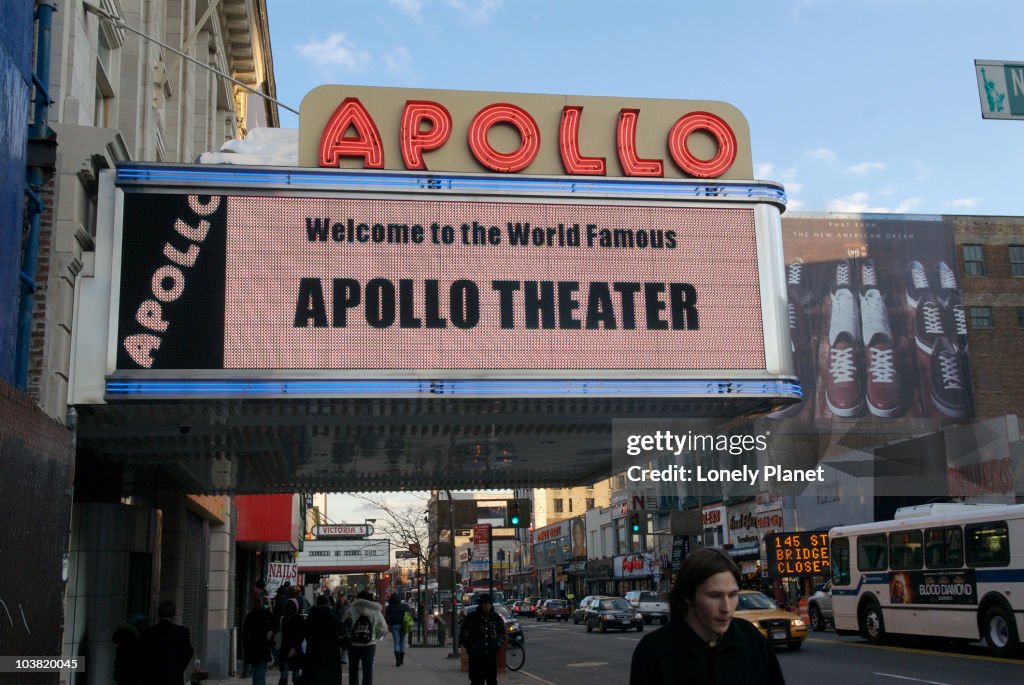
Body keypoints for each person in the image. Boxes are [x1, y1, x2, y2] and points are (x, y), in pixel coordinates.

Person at [630, 548, 785, 685]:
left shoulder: (751, 639)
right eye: (714, 596)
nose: (727, 608)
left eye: (732, 595)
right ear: (688, 595)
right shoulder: (654, 651)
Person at [142, 600, 193, 685]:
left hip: (153, 678)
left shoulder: (149, 632)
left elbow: (143, 654)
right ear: (173, 615)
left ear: (159, 614)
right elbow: (188, 652)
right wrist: (179, 667)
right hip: (174, 677)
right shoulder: (181, 632)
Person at [459, 593, 505, 685]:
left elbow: (501, 634)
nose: (486, 606)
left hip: (490, 657)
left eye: (488, 604)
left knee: (492, 680)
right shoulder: (471, 618)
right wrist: (472, 648)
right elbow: (464, 637)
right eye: (484, 604)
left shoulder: (495, 617)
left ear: (491, 605)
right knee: (476, 681)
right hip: (476, 658)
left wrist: (496, 646)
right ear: (480, 605)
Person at [345, 590, 387, 685]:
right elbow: (383, 628)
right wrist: (375, 636)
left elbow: (344, 625)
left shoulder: (351, 610)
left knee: (353, 669)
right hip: (369, 644)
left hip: (353, 644)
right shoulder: (376, 611)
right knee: (367, 670)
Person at [302, 593, 346, 685]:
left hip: (313, 653)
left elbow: (305, 633)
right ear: (327, 604)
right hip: (331, 654)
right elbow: (342, 634)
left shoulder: (310, 617)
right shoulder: (333, 617)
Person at [243, 595, 275, 685]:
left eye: (259, 601)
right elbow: (245, 633)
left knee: (259, 673)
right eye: (256, 602)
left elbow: (274, 628)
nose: (257, 604)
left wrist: (270, 640)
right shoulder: (251, 616)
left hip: (262, 647)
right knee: (256, 674)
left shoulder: (266, 615)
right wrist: (246, 647)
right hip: (255, 647)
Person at [112, 611, 148, 685]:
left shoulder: (127, 637)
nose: (146, 625)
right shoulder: (131, 639)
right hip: (130, 679)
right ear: (136, 624)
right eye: (143, 623)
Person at [278, 598, 306, 685]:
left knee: (293, 674)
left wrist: (294, 648)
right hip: (288, 649)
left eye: (291, 607)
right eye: (288, 607)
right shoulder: (284, 619)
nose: (289, 609)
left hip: (292, 649)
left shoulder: (297, 620)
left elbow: (301, 636)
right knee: (288, 674)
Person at [384, 593, 411, 666]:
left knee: (396, 642)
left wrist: (390, 624)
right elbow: (410, 614)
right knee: (402, 642)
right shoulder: (405, 606)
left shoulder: (390, 607)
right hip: (404, 625)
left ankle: (397, 660)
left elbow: (387, 618)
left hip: (394, 626)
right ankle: (401, 659)